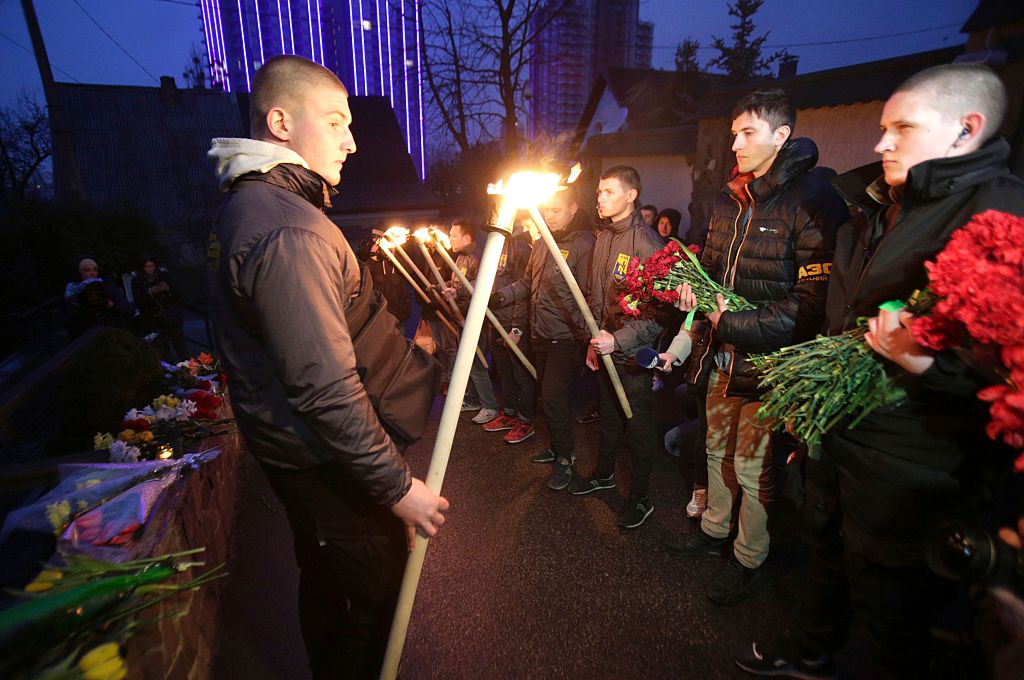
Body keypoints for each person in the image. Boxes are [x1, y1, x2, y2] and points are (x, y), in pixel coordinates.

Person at [736, 64, 1024, 679]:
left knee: (892, 609)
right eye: (882, 127)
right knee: (827, 549)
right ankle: (812, 647)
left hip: (914, 457)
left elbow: (1004, 376)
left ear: (964, 130)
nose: (881, 143)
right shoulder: (883, 205)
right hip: (846, 435)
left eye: (902, 128)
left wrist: (922, 362)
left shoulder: (996, 219)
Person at [206, 55, 448, 679]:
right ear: (281, 122)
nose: (352, 140)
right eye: (336, 121)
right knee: (373, 603)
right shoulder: (289, 230)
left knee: (330, 585)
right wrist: (398, 489)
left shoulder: (265, 207)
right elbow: (323, 386)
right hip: (322, 464)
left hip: (306, 457)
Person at [666, 89, 847, 606]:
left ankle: (749, 557)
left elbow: (813, 301)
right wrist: (692, 288)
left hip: (773, 363)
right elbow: (713, 267)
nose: (736, 144)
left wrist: (738, 323)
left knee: (752, 466)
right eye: (734, 134)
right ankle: (715, 532)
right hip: (722, 353)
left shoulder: (814, 200)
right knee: (716, 449)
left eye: (748, 133)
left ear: (782, 135)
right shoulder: (731, 197)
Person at [567, 165, 664, 529]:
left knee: (638, 427)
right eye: (598, 192)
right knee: (608, 419)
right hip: (605, 350)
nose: (600, 198)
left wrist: (617, 340)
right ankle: (605, 473)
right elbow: (596, 294)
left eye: (608, 191)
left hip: (633, 356)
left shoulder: (648, 243)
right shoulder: (604, 236)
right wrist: (594, 344)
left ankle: (640, 498)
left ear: (631, 195)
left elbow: (661, 314)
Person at [492, 185, 595, 483]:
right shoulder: (542, 244)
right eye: (547, 210)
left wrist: (586, 334)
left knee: (553, 398)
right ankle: (556, 447)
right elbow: (526, 283)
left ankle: (566, 458)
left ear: (573, 208)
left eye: (556, 210)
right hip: (541, 334)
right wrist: (498, 297)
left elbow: (590, 293)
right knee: (549, 398)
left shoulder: (584, 244)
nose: (549, 216)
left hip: (566, 338)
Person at [482, 222, 536, 443]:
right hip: (496, 320)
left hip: (512, 324)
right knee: (504, 372)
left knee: (520, 374)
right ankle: (511, 413)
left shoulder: (521, 247)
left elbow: (524, 291)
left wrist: (517, 328)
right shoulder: (498, 244)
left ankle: (526, 420)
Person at [444, 219, 500, 424]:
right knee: (464, 362)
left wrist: (457, 291)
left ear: (467, 238)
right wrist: (448, 286)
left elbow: (482, 283)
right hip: (462, 317)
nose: (450, 238)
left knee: (476, 363)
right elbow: (459, 281)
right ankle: (472, 399)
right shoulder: (460, 258)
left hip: (475, 318)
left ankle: (490, 406)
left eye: (454, 235)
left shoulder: (475, 258)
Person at [132, 256, 189, 360]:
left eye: (152, 266)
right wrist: (150, 292)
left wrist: (167, 289)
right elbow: (138, 300)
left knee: (181, 348)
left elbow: (177, 293)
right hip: (153, 319)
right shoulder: (137, 280)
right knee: (161, 352)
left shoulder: (163, 275)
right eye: (147, 266)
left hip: (170, 316)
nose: (150, 269)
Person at [64, 257, 133, 337]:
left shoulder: (109, 288)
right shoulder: (73, 293)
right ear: (80, 273)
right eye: (87, 270)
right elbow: (72, 327)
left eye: (95, 270)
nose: (92, 273)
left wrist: (111, 305)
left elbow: (129, 310)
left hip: (115, 333)